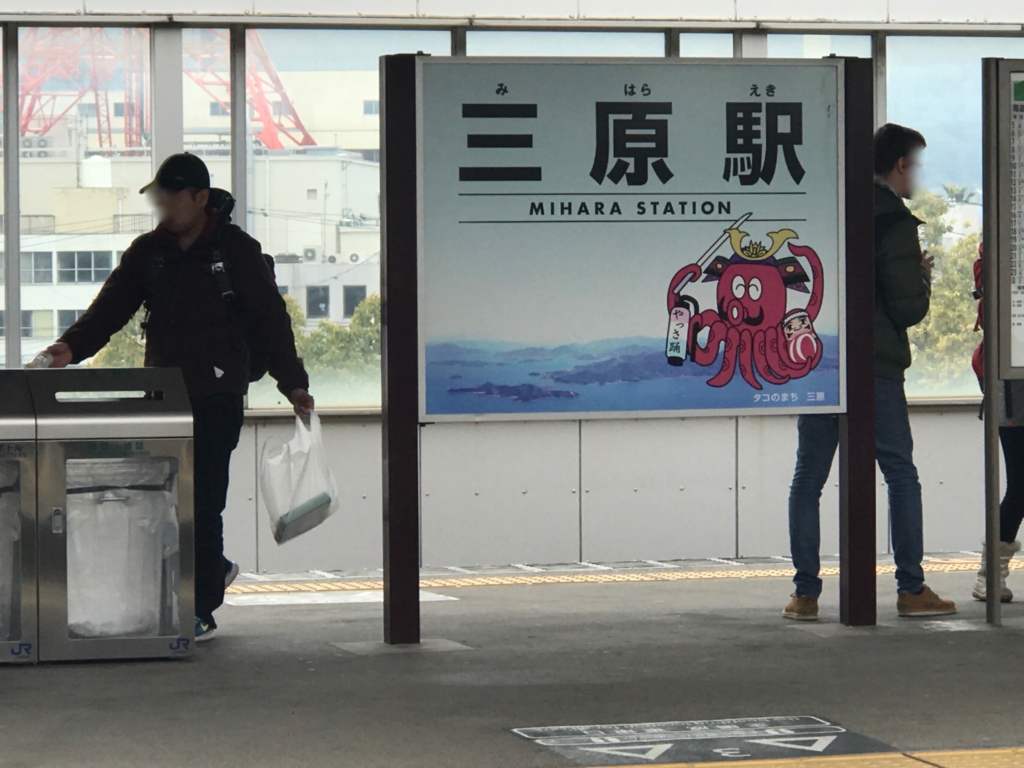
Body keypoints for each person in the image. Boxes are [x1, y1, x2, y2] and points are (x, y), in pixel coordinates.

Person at [42, 152, 314, 642]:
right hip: (161, 396)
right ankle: (205, 575)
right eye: (159, 197)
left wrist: (293, 383)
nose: (163, 206)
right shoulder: (150, 252)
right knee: (169, 501)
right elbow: (111, 307)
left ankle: (201, 605)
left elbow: (272, 321)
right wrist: (71, 347)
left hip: (217, 393)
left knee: (203, 500)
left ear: (200, 198)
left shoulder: (237, 251)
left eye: (171, 197)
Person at [782, 123, 956, 621]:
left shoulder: (833, 207)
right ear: (900, 165)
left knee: (808, 479)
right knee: (900, 474)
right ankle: (910, 588)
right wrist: (922, 278)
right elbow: (906, 309)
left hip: (823, 366)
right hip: (877, 367)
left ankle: (806, 594)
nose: (916, 176)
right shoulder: (894, 222)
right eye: (916, 165)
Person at [970, 242, 1023, 602]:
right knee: (1021, 480)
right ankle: (990, 573)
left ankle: (991, 572)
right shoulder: (1001, 252)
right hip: (1011, 381)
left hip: (1008, 377)